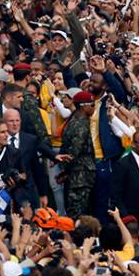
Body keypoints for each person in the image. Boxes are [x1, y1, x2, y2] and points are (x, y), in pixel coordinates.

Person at [111, 129, 139, 244]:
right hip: (131, 220)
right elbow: (116, 194)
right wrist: (126, 218)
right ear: (133, 144)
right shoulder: (123, 164)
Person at [60, 91, 95, 219]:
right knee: (79, 214)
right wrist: (66, 171)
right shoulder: (81, 123)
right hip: (80, 175)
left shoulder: (73, 120)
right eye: (92, 104)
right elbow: (74, 151)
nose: (93, 107)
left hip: (76, 174)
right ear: (84, 106)